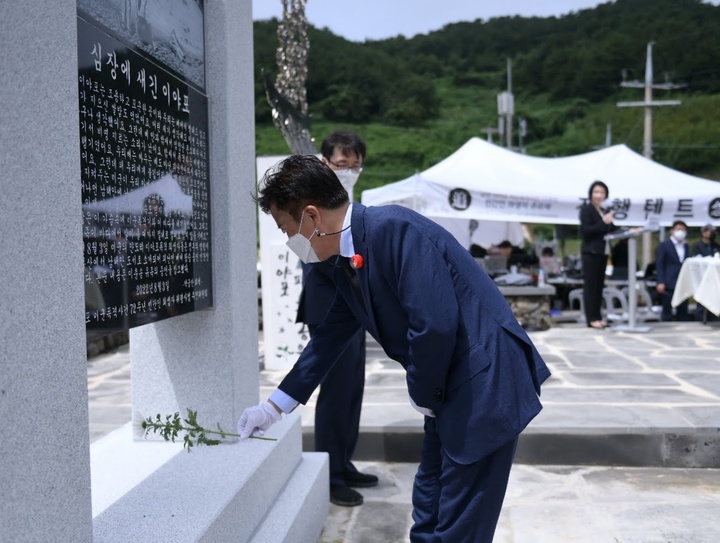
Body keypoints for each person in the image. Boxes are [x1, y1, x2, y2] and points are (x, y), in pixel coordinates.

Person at [240, 155, 551, 542]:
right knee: (429, 505)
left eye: (286, 229)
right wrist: (273, 408)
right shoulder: (345, 258)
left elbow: (434, 325)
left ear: (311, 217)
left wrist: (421, 392)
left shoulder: (395, 230)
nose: (289, 241)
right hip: (444, 388)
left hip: (483, 383)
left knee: (459, 521)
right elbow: (330, 335)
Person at [296, 130, 373, 507]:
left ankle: (344, 461)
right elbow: (310, 251)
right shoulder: (309, 199)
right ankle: (330, 474)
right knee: (335, 391)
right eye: (343, 164)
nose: (350, 171)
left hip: (352, 304)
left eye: (355, 165)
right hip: (328, 306)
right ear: (325, 162)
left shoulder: (348, 198)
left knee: (352, 388)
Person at [579, 180, 617, 329]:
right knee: (591, 286)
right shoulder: (586, 210)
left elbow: (612, 229)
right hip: (591, 252)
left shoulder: (603, 210)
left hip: (603, 252)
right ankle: (591, 318)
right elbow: (587, 231)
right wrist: (603, 221)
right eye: (596, 192)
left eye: (602, 192)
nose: (599, 195)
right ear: (591, 194)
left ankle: (598, 316)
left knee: (599, 286)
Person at [656, 220, 690, 322]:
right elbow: (660, 264)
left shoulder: (686, 246)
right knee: (667, 310)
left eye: (683, 230)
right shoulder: (665, 245)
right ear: (672, 231)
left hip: (683, 282)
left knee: (683, 310)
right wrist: (660, 281)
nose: (681, 232)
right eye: (678, 229)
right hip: (668, 282)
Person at [690, 223, 720, 321]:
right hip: (702, 279)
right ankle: (700, 320)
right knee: (702, 301)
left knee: (714, 301)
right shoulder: (697, 246)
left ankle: (714, 319)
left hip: (714, 279)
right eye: (710, 231)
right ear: (703, 233)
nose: (712, 234)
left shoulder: (716, 246)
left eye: (713, 232)